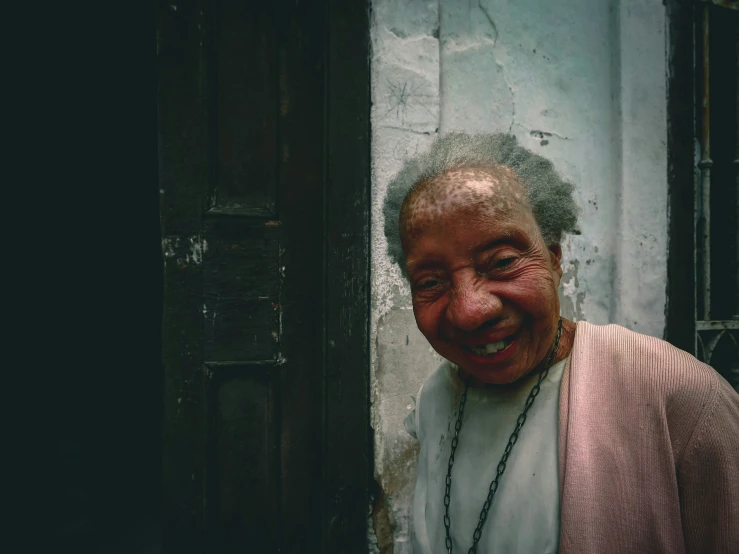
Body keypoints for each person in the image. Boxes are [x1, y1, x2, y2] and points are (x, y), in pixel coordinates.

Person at [382, 132, 739, 553]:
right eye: (430, 282)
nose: (469, 310)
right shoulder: (436, 399)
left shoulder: (680, 398)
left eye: (502, 262)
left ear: (553, 258)